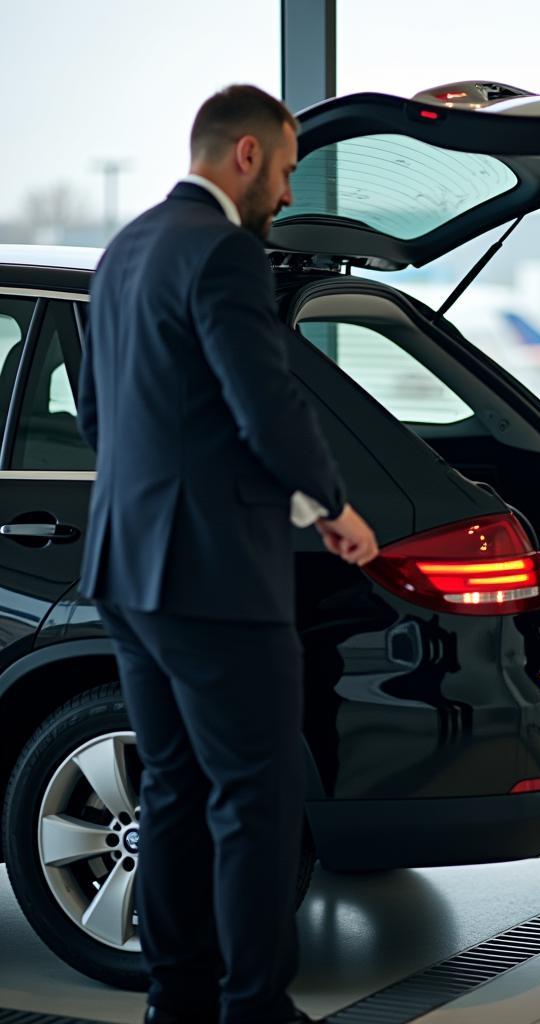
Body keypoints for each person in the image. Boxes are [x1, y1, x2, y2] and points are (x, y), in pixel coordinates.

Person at [77, 85, 379, 1024]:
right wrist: (332, 504)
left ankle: (178, 1002)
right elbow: (266, 402)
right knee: (255, 796)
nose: (287, 195)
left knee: (172, 787)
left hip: (128, 567)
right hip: (212, 574)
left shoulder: (125, 247)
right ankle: (255, 1008)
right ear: (245, 156)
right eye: (287, 171)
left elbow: (96, 404)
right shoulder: (223, 252)